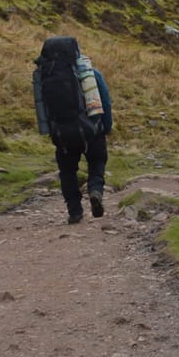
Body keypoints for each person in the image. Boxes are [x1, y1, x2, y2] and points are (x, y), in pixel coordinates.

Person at [33, 35, 112, 224]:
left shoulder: (41, 76)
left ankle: (75, 211)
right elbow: (105, 100)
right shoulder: (88, 72)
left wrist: (50, 131)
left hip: (62, 133)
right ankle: (95, 189)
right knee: (97, 160)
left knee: (67, 171)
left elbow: (40, 106)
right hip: (91, 129)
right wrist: (106, 126)